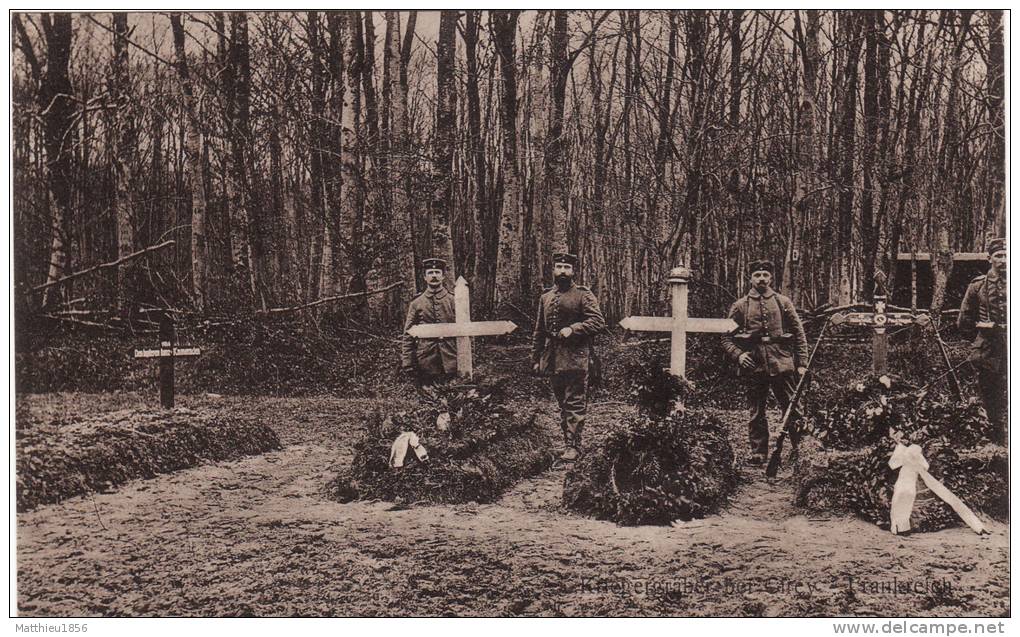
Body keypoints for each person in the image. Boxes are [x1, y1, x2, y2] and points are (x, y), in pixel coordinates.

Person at [721, 259, 809, 465]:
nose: (761, 279)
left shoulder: (783, 302)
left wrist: (802, 362)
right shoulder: (740, 306)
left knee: (793, 407)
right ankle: (759, 453)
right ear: (750, 278)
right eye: (757, 275)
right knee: (756, 411)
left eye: (765, 275)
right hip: (754, 365)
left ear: (771, 278)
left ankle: (801, 449)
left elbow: (799, 334)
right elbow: (725, 337)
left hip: (782, 363)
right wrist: (739, 355)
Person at [533, 252, 606, 461]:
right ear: (553, 270)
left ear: (573, 271)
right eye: (559, 267)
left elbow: (598, 322)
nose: (562, 271)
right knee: (561, 402)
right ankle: (568, 441)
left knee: (574, 401)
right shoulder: (545, 297)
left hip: (576, 357)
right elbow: (539, 331)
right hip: (553, 358)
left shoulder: (583, 295)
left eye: (567, 268)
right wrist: (535, 358)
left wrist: (573, 329)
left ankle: (573, 445)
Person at [958, 237, 1007, 431]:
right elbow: (965, 319)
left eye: (1007, 256)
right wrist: (979, 339)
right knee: (990, 388)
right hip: (988, 346)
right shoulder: (978, 286)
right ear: (989, 258)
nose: (1003, 260)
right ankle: (995, 428)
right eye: (999, 256)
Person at [401, 258, 457, 387]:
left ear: (443, 276)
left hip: (451, 358)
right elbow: (408, 334)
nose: (434, 276)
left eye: (437, 272)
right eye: (430, 273)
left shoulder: (453, 301)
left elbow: (466, 331)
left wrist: (467, 358)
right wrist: (407, 361)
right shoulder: (417, 303)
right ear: (425, 277)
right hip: (426, 359)